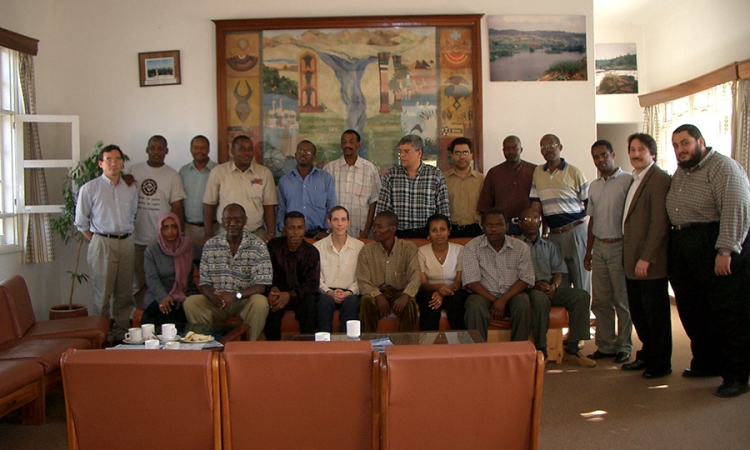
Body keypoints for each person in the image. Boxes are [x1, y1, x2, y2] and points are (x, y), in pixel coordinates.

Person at [666, 124, 750, 398]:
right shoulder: (683, 170)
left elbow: (736, 207)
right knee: (693, 310)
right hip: (685, 244)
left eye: (685, 143)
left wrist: (725, 249)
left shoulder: (723, 167)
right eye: (676, 145)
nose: (681, 149)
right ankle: (706, 361)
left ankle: (736, 375)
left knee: (727, 313)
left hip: (714, 244)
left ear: (700, 141)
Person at [620, 133, 673, 379]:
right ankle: (647, 355)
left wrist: (647, 257)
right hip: (632, 260)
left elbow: (659, 223)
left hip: (648, 263)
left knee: (656, 316)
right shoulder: (636, 178)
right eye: (632, 149)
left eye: (641, 149)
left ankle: (661, 363)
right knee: (640, 314)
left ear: (652, 153)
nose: (636, 154)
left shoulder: (659, 178)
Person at [74, 144, 138, 342]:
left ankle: (121, 334)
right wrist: (98, 242)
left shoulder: (130, 187)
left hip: (126, 242)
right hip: (102, 242)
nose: (113, 163)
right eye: (108, 159)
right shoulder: (90, 188)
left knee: (125, 293)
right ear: (101, 163)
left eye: (117, 159)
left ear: (122, 163)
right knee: (102, 294)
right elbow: (81, 222)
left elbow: (133, 214)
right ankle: (101, 337)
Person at [518, 208, 595, 366]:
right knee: (539, 300)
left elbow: (559, 270)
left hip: (550, 287)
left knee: (581, 296)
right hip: (528, 289)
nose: (532, 222)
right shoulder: (515, 246)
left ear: (541, 223)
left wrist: (554, 285)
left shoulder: (549, 245)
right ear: (519, 223)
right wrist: (533, 285)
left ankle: (572, 350)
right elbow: (512, 275)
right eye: (527, 219)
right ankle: (541, 350)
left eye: (536, 219)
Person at [183, 204, 272, 341]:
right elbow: (204, 282)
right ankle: (207, 343)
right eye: (228, 220)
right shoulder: (211, 245)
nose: (232, 224)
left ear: (245, 221)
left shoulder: (258, 246)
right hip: (216, 301)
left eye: (237, 220)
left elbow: (261, 285)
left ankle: (248, 346)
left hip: (243, 301)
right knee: (191, 302)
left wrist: (235, 296)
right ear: (222, 221)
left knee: (260, 302)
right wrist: (213, 297)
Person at [583, 140, 633, 364]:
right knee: (601, 300)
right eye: (596, 157)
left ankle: (624, 346)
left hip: (620, 246)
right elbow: (591, 220)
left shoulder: (628, 181)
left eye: (604, 155)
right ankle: (605, 345)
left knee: (621, 300)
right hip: (599, 247)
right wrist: (588, 251)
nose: (600, 160)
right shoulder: (593, 185)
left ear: (613, 154)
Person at [127, 135, 186, 308]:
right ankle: (142, 318)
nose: (156, 151)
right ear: (147, 149)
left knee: (162, 282)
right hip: (138, 239)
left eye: (160, 148)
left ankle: (160, 320)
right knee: (140, 283)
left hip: (162, 242)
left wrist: (178, 236)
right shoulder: (134, 170)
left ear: (166, 151)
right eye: (152, 147)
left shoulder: (172, 175)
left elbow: (177, 207)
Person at [462, 208, 535, 343]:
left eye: (499, 225)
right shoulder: (472, 247)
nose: (494, 229)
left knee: (523, 303)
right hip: (484, 295)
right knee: (474, 305)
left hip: (512, 294)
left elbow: (526, 278)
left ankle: (518, 352)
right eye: (490, 225)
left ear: (507, 226)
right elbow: (471, 282)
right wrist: (495, 301)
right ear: (482, 227)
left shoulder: (521, 247)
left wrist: (504, 300)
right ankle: (478, 354)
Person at [529, 134, 590, 293]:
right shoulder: (538, 172)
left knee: (581, 282)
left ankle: (583, 317)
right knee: (558, 282)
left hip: (575, 231)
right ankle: (566, 318)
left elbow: (589, 203)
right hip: (554, 236)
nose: (547, 149)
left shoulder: (574, 172)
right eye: (543, 147)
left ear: (560, 147)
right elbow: (537, 205)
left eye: (551, 145)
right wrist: (539, 233)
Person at [203, 135, 277, 241]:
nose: (246, 153)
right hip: (225, 234)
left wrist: (271, 234)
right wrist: (208, 235)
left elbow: (269, 206)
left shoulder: (264, 173)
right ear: (232, 151)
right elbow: (209, 205)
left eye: (249, 149)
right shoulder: (218, 172)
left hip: (256, 234)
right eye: (241, 149)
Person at [376, 135, 450, 238]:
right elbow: (382, 209)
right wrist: (385, 232)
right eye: (400, 152)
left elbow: (443, 208)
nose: (402, 155)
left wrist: (440, 232)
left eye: (406, 151)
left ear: (419, 153)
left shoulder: (434, 175)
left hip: (427, 234)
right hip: (398, 235)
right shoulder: (391, 175)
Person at [357, 211, 420, 332]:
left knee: (410, 303)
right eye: (374, 226)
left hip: (400, 292)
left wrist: (406, 294)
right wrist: (378, 295)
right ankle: (368, 343)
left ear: (392, 229)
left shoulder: (408, 248)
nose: (374, 230)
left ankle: (404, 346)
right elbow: (362, 280)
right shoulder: (366, 250)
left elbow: (416, 275)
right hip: (376, 292)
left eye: (379, 226)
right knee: (366, 301)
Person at [265, 211, 320, 340]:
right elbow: (266, 273)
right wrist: (272, 288)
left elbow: (312, 285)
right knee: (270, 306)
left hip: (300, 296)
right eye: (292, 228)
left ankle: (307, 351)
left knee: (310, 304)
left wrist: (289, 295)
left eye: (300, 228)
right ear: (284, 230)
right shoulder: (273, 247)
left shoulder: (311, 252)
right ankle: (272, 352)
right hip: (278, 294)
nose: (296, 232)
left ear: (305, 229)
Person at [141, 212, 202, 327]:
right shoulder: (152, 251)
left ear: (179, 227)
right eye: (165, 228)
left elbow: (204, 270)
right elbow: (152, 278)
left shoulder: (189, 246)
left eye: (174, 226)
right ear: (160, 230)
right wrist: (162, 297)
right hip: (160, 294)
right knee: (166, 313)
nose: (170, 231)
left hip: (186, 293)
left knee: (184, 311)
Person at [313, 206, 364, 334]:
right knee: (323, 302)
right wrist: (329, 292)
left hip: (350, 293)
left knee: (352, 302)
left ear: (348, 222)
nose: (340, 224)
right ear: (329, 222)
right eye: (336, 220)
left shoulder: (359, 247)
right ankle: (324, 345)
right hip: (326, 292)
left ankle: (348, 346)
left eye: (343, 219)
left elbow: (363, 277)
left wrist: (349, 292)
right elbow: (315, 277)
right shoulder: (318, 247)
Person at [323, 130, 382, 238]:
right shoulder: (329, 169)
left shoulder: (370, 169)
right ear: (341, 145)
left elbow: (374, 202)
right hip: (334, 233)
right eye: (344, 142)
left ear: (359, 145)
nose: (347, 145)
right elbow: (323, 202)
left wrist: (366, 231)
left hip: (360, 232)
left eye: (351, 142)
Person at [277, 140, 337, 239]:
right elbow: (281, 209)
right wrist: (283, 229)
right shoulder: (285, 180)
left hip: (318, 235)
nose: (303, 154)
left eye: (308, 152)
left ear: (314, 157)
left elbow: (331, 207)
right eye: (300, 151)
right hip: (292, 236)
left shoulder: (325, 178)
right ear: (295, 155)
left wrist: (326, 231)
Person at [477, 135, 537, 235]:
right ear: (503, 150)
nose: (511, 152)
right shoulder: (494, 173)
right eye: (507, 149)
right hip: (502, 226)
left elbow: (541, 202)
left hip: (528, 225)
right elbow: (485, 205)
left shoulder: (534, 171)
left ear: (521, 149)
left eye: (514, 148)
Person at [416, 214, 466, 330]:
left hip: (454, 290)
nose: (439, 234)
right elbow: (423, 284)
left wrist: (443, 293)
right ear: (428, 233)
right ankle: (428, 345)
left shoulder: (459, 250)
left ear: (449, 231)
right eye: (434, 230)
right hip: (429, 291)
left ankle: (459, 344)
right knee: (429, 301)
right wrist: (438, 288)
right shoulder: (421, 252)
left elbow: (458, 282)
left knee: (456, 301)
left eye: (442, 229)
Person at [179, 135, 217, 243]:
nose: (199, 151)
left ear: (209, 149)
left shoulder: (218, 171)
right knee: (188, 259)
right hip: (188, 228)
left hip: (213, 228)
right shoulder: (183, 171)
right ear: (191, 149)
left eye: (203, 147)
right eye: (196, 147)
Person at [443, 137, 484, 238]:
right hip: (450, 231)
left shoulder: (481, 179)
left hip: (476, 231)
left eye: (465, 153)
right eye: (457, 153)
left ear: (471, 155)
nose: (461, 157)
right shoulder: (442, 179)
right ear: (451, 155)